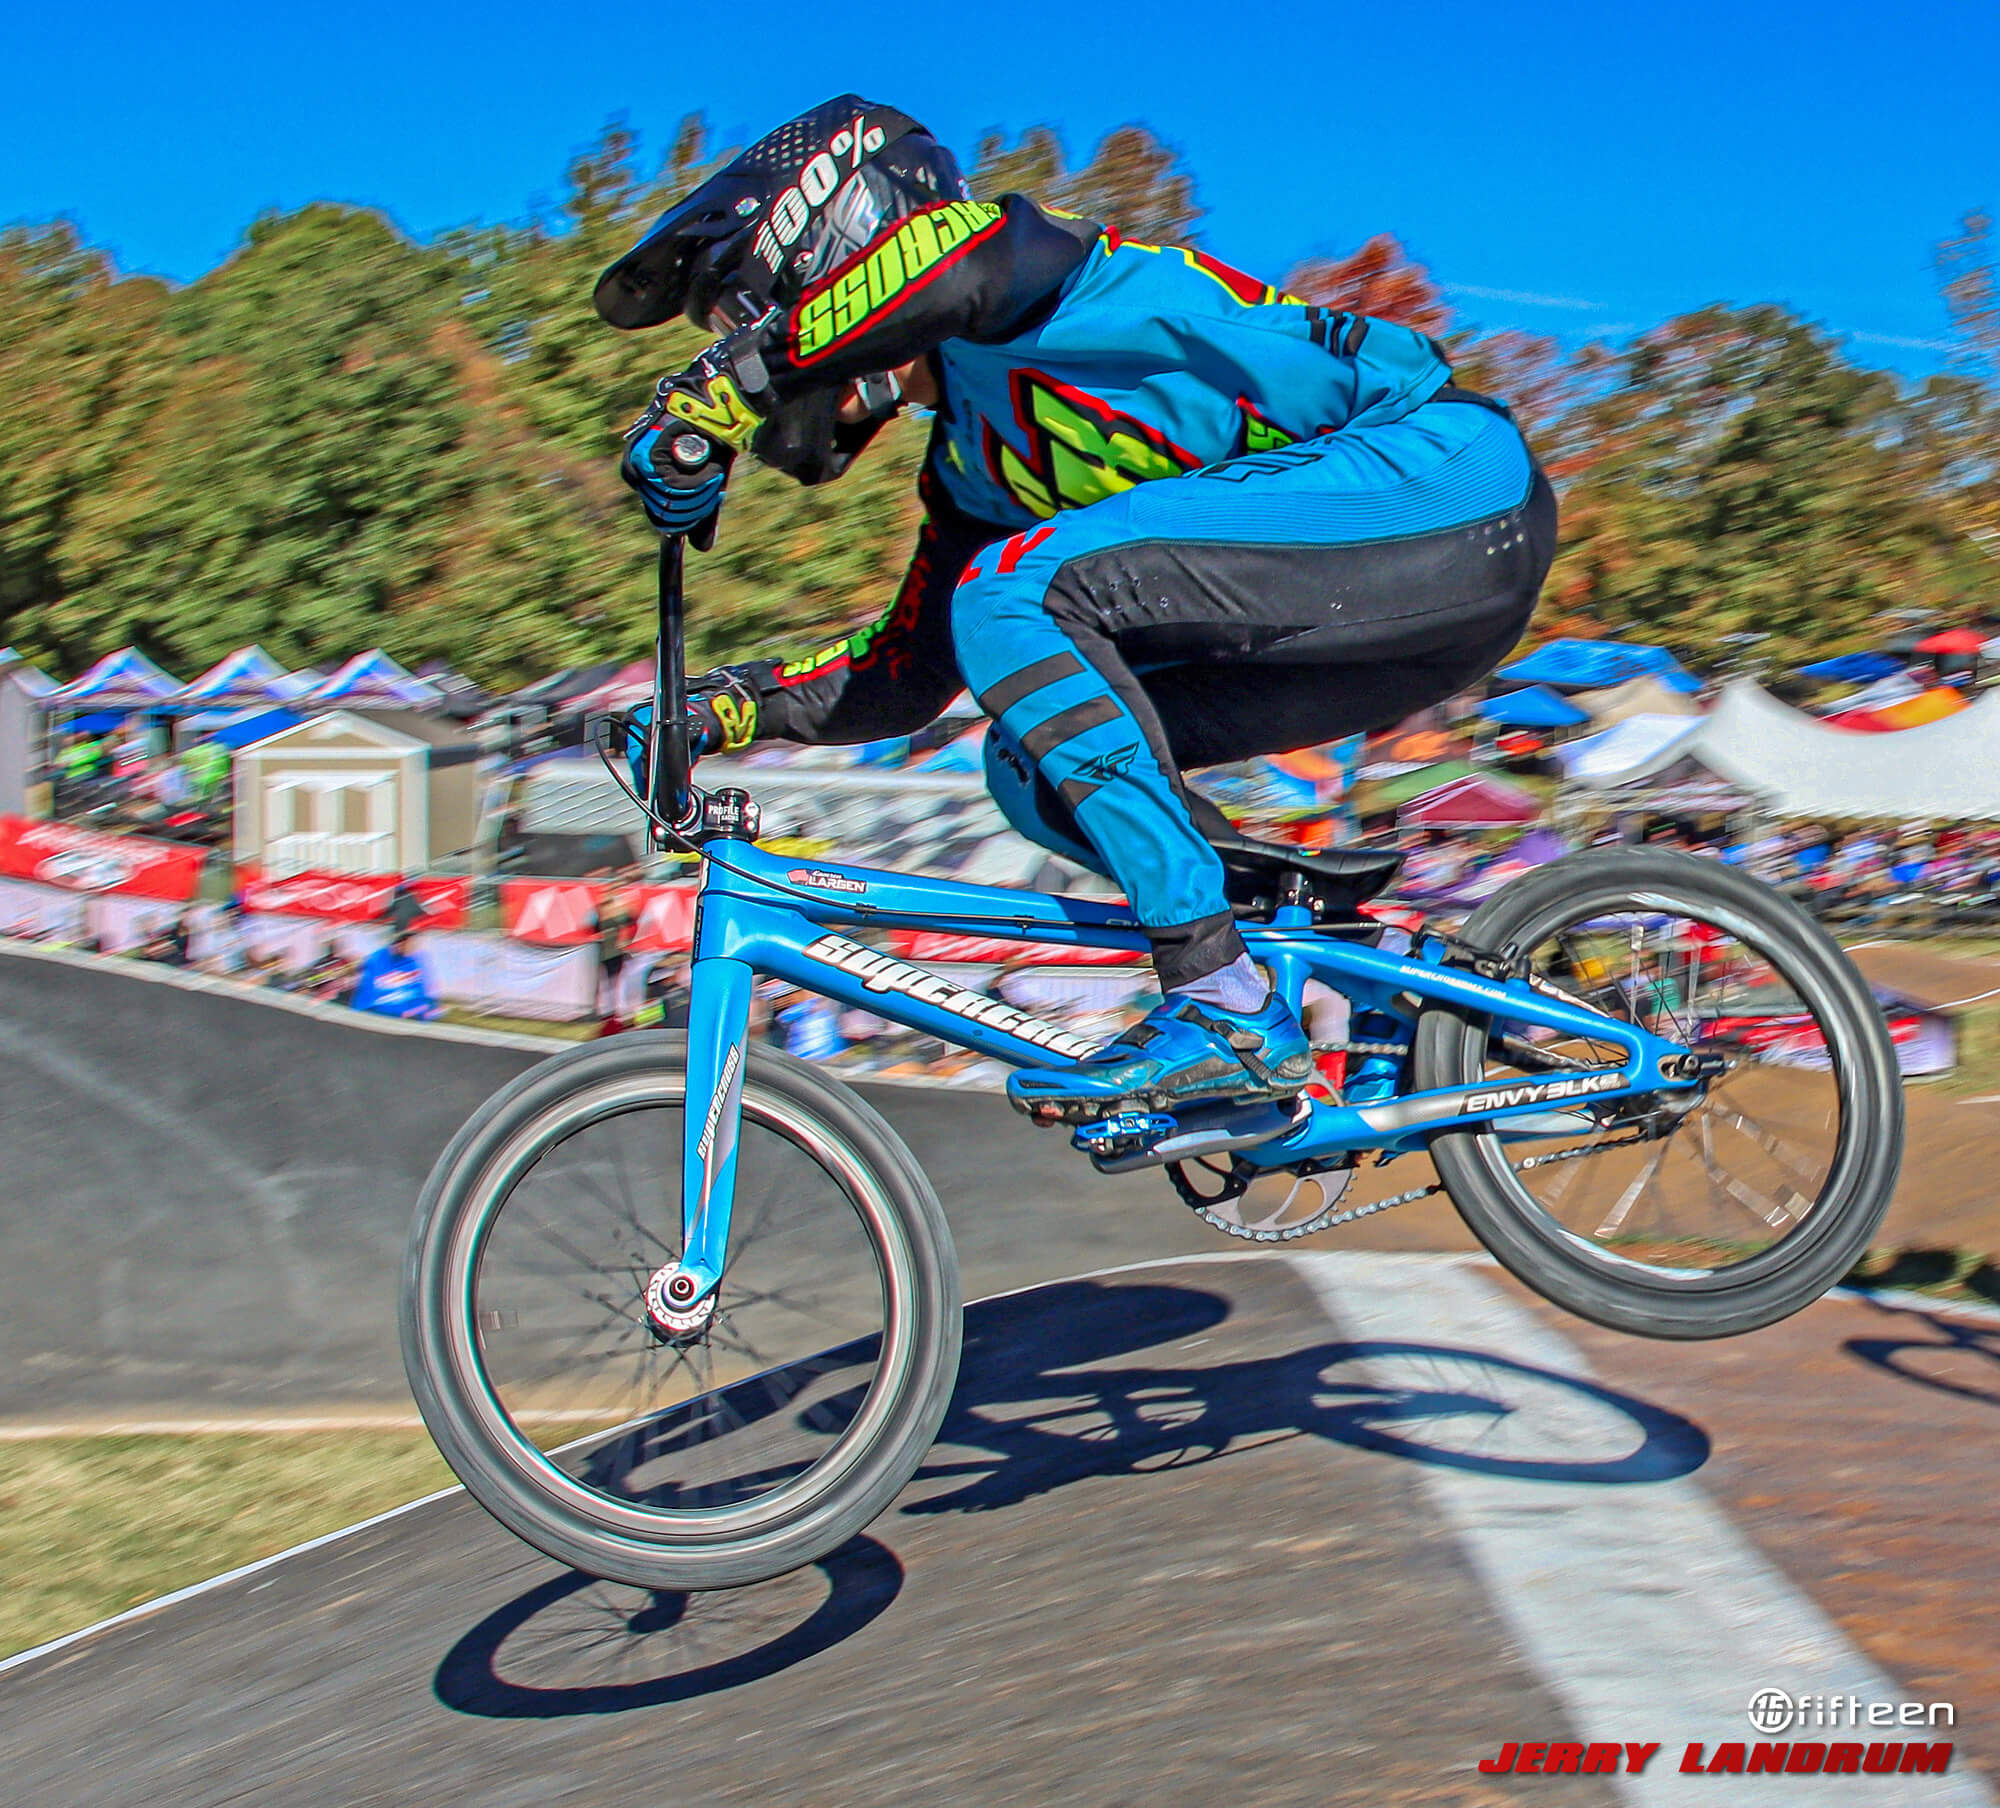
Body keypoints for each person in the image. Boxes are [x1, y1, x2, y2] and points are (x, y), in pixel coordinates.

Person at [597, 95, 1555, 1124]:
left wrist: (725, 389)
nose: (762, 339)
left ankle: (1219, 1002)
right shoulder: (970, 466)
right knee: (1028, 755)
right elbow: (897, 675)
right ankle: (1373, 971)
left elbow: (948, 269)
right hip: (1377, 606)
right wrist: (712, 712)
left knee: (1016, 587)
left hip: (1439, 482)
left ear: (824, 252)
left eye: (751, 310)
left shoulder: (1010, 273)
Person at [349, 930, 439, 1020]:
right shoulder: (375, 961)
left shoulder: (412, 964)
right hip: (374, 1018)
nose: (415, 949)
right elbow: (366, 1000)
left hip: (400, 1020)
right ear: (401, 943)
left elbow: (419, 995)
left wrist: (423, 1009)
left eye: (417, 945)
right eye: (413, 944)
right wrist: (403, 1012)